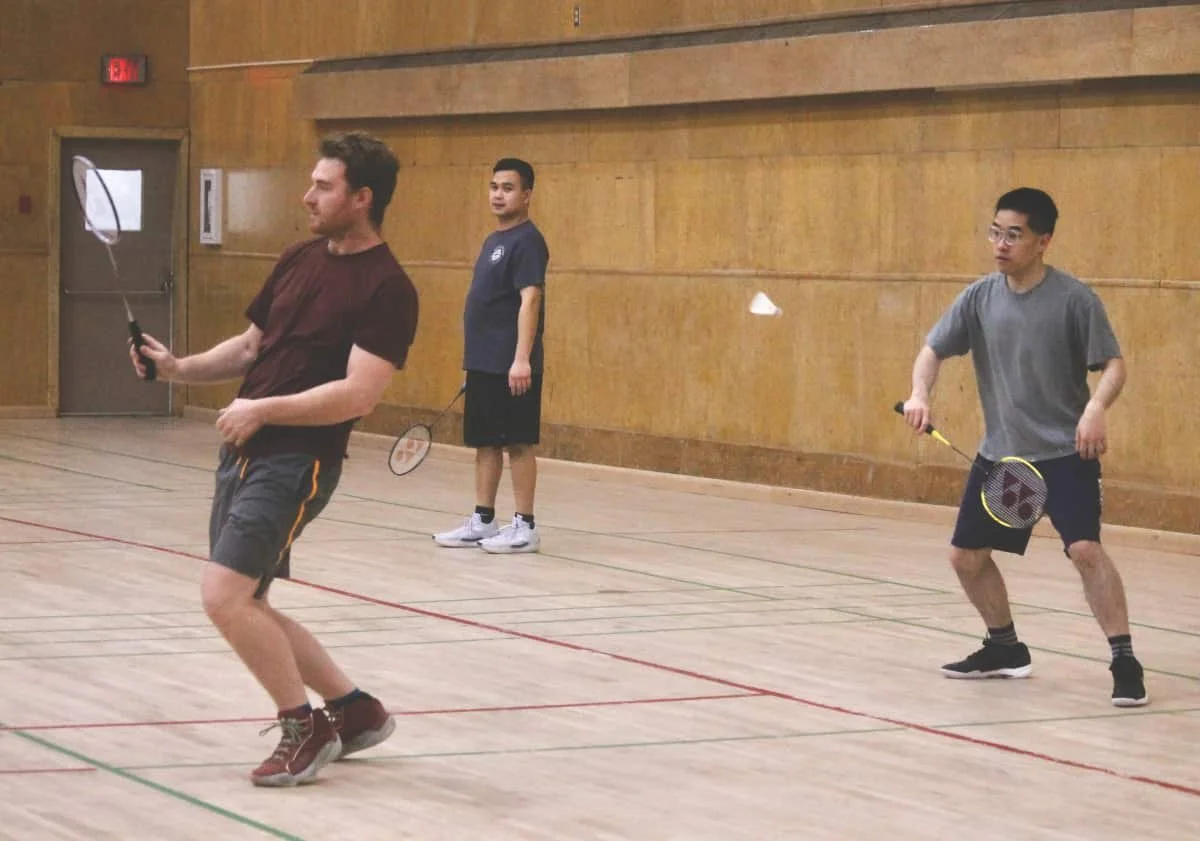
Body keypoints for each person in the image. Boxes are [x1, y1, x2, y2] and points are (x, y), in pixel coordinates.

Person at [129, 132, 419, 785]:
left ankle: (304, 726)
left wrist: (263, 409)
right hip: (243, 453)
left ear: (362, 197)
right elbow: (249, 347)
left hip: (298, 457)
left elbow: (358, 393)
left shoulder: (387, 287)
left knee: (224, 594)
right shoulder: (299, 257)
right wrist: (176, 368)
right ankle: (354, 708)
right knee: (247, 598)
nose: (307, 195)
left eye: (323, 185)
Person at [900, 187, 1147, 708]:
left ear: (1043, 241)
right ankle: (1005, 648)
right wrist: (920, 392)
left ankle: (1124, 659)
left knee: (1084, 550)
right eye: (995, 232)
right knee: (966, 558)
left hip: (1064, 455)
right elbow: (932, 349)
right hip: (1003, 458)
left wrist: (1096, 408)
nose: (1000, 244)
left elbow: (1114, 364)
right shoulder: (979, 297)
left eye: (1014, 234)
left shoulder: (1075, 300)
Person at [433, 158, 549, 554]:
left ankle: (525, 526)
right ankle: (484, 519)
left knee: (517, 442)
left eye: (508, 187)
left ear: (527, 195)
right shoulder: (492, 240)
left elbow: (530, 300)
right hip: (483, 362)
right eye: (494, 186)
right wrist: (476, 365)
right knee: (485, 443)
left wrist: (521, 359)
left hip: (512, 364)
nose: (498, 194)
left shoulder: (528, 241)